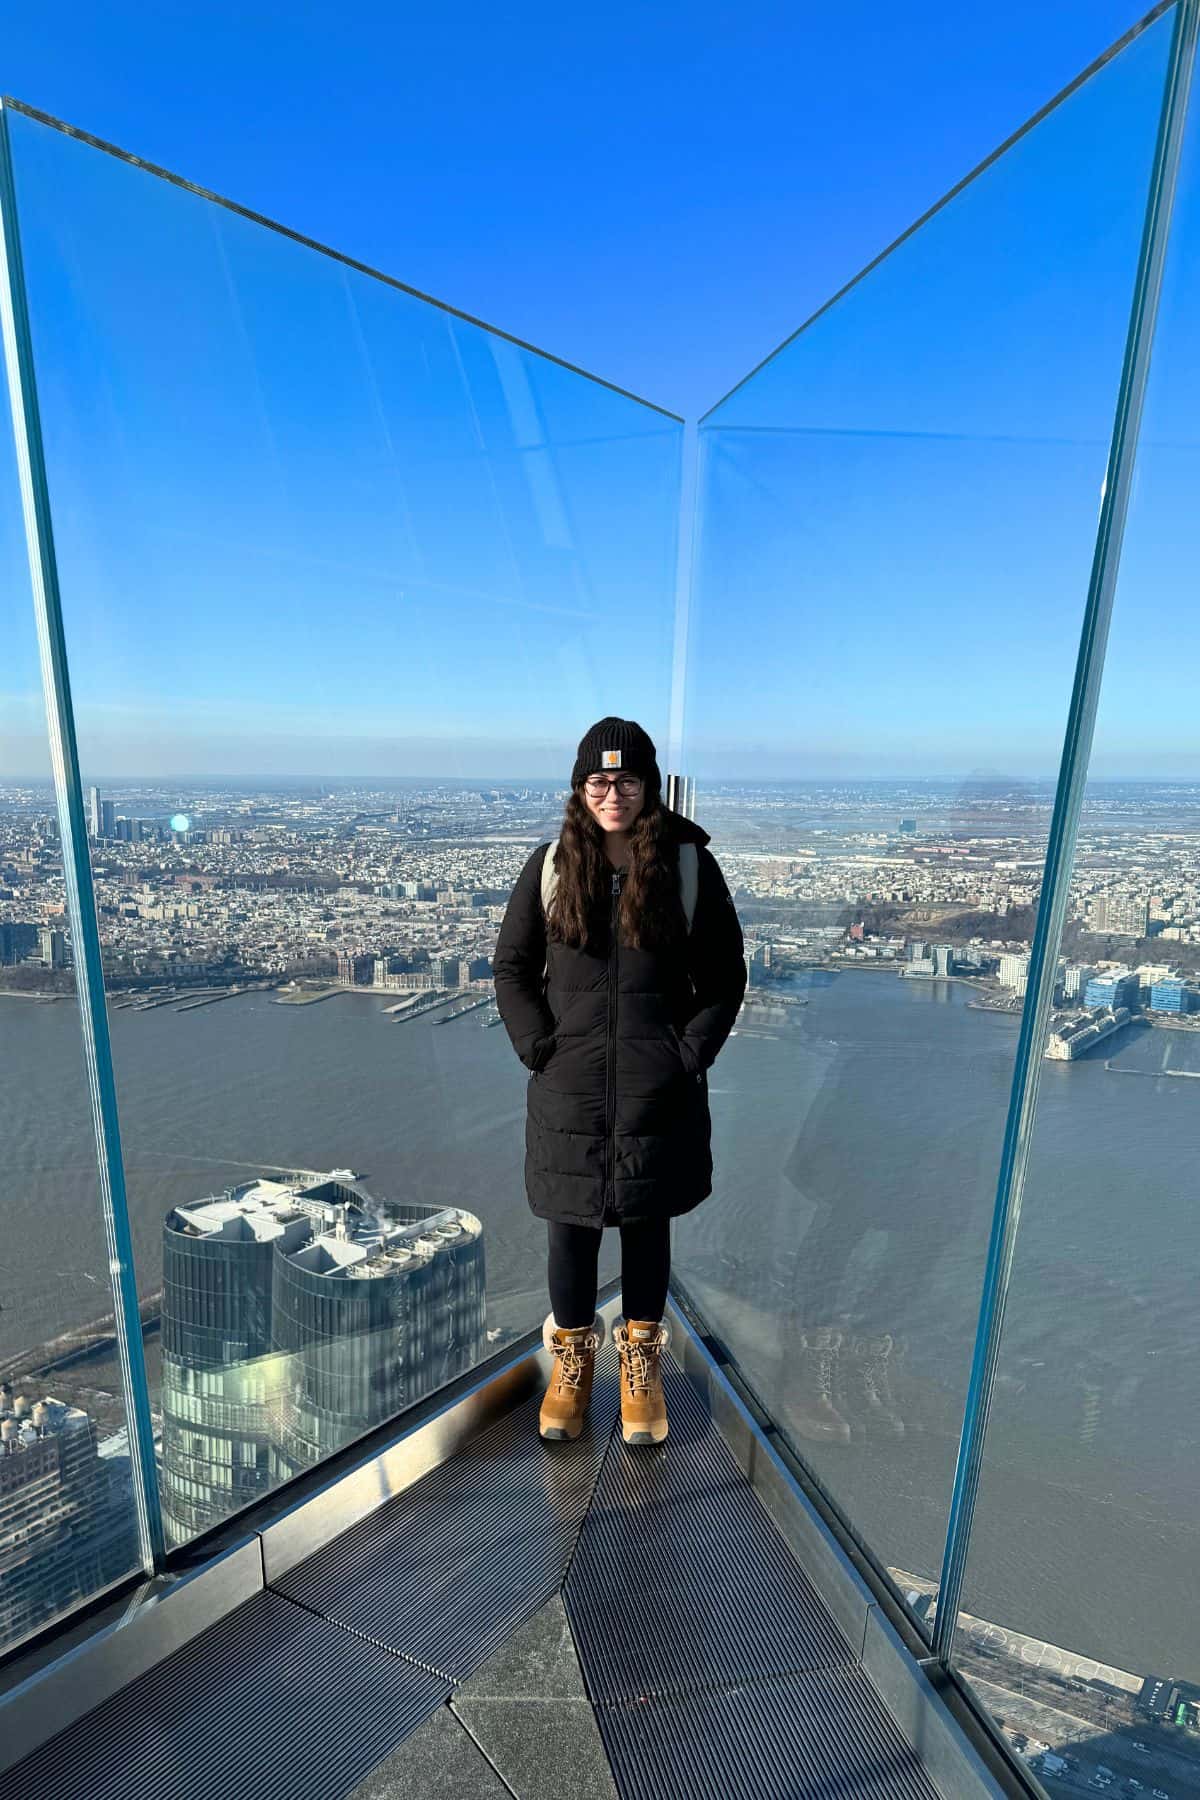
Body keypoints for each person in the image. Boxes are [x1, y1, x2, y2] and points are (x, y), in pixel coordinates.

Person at [493, 717, 746, 1446]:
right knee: (568, 1233)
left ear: (649, 787)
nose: (613, 793)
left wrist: (686, 1055)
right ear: (580, 789)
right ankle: (571, 1372)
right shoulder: (548, 866)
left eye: (627, 779)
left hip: (655, 1088)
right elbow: (510, 967)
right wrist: (539, 1046)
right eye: (599, 781)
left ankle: (640, 1372)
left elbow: (725, 978)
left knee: (646, 1228)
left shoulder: (689, 868)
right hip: (568, 1087)